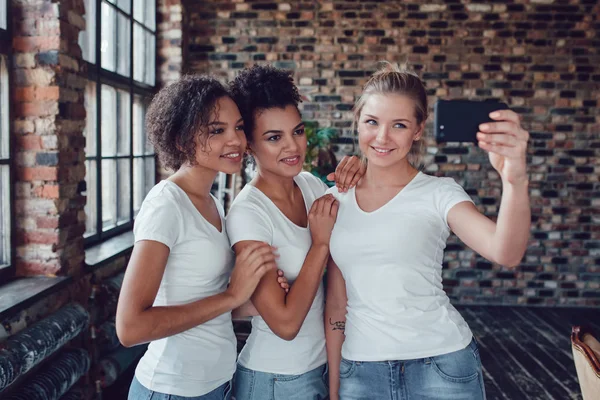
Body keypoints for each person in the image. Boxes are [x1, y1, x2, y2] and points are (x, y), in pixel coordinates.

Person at [325, 63, 530, 400]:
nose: (382, 137)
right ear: (358, 120)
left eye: (399, 125)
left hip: (442, 367)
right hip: (361, 372)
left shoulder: (439, 193)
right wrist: (335, 390)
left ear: (418, 130)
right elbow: (336, 303)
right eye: (372, 122)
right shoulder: (335, 199)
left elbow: (505, 252)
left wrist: (514, 178)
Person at [116, 75, 284, 400]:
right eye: (217, 130)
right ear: (181, 139)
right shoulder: (167, 204)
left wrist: (254, 301)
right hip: (171, 390)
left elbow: (199, 300)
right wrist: (233, 296)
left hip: (214, 385)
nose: (235, 139)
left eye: (237, 127)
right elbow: (130, 327)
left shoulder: (210, 202)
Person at [226, 64, 365, 400]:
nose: (293, 146)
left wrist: (364, 173)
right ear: (248, 146)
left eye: (297, 131)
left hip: (321, 367)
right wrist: (319, 245)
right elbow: (285, 324)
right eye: (274, 137)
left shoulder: (310, 185)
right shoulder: (248, 214)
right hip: (275, 380)